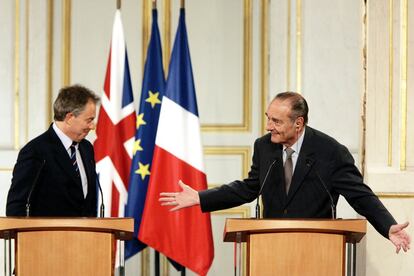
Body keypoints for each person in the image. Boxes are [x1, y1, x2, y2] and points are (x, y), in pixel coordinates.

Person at [160, 91, 411, 253]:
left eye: (276, 121)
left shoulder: (330, 152)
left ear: (298, 123)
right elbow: (249, 188)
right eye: (269, 118)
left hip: (317, 249)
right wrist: (201, 198)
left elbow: (359, 195)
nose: (269, 126)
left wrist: (387, 226)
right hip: (270, 246)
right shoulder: (264, 147)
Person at [6, 84, 100, 217]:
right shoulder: (35, 151)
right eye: (89, 120)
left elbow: (88, 203)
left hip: (86, 236)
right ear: (69, 118)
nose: (92, 126)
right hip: (46, 237)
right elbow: (16, 206)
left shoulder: (86, 148)